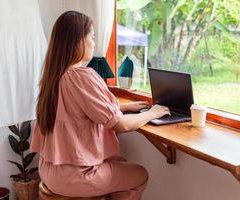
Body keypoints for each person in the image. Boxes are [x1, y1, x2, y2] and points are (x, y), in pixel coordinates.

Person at [31, 11, 170, 200]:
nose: (94, 43)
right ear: (78, 41)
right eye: (92, 37)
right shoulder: (81, 76)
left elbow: (75, 112)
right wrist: (152, 113)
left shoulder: (53, 77)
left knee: (118, 166)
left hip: (48, 171)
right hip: (77, 177)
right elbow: (122, 125)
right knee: (139, 174)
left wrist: (124, 108)